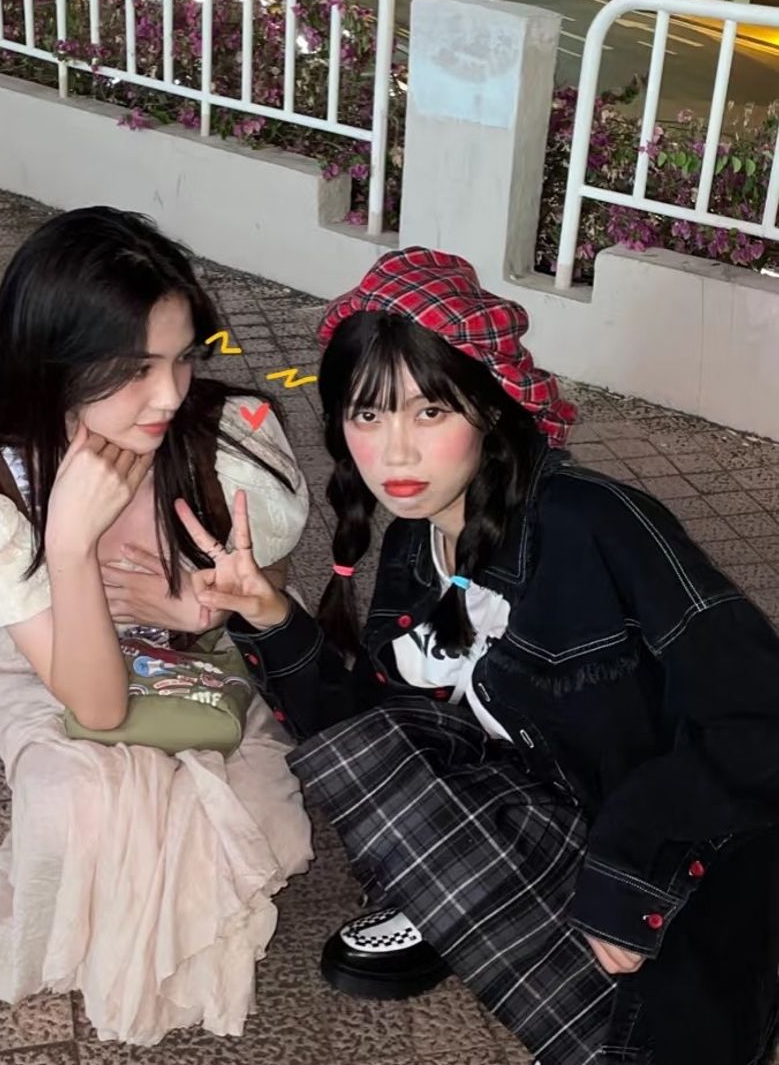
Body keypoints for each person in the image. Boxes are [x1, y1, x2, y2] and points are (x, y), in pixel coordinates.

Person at [173, 247, 779, 1065]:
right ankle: (458, 902)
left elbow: (756, 714)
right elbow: (368, 740)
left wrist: (630, 872)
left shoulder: (594, 523)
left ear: (490, 407)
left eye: (429, 412)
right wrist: (268, 616)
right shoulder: (413, 548)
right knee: (379, 757)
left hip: (682, 852)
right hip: (547, 817)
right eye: (366, 415)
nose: (394, 454)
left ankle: (487, 905)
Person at [0, 207, 313, 1046]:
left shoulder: (226, 436)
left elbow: (267, 577)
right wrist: (68, 543)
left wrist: (203, 605)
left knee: (252, 828)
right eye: (133, 369)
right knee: (81, 804)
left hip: (210, 660)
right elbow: (95, 706)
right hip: (61, 662)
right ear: (53, 360)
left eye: (183, 357)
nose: (169, 395)